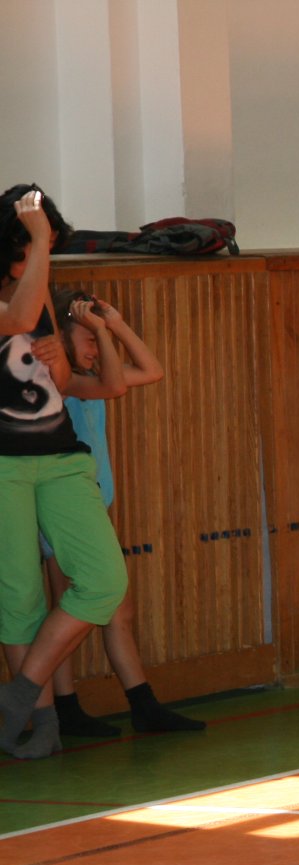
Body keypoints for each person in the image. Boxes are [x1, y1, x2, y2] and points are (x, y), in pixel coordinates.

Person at [1, 184, 127, 759]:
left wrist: (61, 366)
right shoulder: (23, 299)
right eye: (36, 243)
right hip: (4, 465)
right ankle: (42, 725)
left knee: (104, 579)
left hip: (61, 457)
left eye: (48, 244)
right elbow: (18, 317)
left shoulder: (40, 296)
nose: (44, 254)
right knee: (20, 597)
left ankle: (20, 693)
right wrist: (38, 236)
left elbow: (64, 383)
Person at [41, 290, 201, 738]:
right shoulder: (63, 382)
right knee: (74, 607)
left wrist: (112, 324)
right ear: (63, 338)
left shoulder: (92, 378)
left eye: (99, 341)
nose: (96, 348)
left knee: (111, 609)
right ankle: (68, 708)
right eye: (88, 339)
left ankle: (137, 705)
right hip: (66, 510)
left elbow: (152, 370)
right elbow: (115, 383)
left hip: (93, 507)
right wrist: (99, 329)